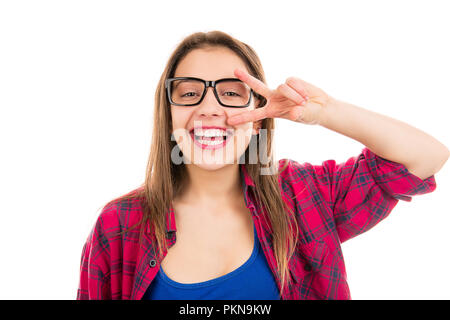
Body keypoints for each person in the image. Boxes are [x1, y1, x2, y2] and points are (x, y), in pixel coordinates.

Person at [76, 30, 448, 300]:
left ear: (257, 117)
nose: (209, 109)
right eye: (189, 93)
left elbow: (425, 156)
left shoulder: (304, 196)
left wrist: (325, 112)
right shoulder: (119, 225)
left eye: (231, 94)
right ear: (168, 114)